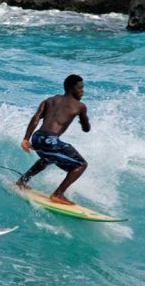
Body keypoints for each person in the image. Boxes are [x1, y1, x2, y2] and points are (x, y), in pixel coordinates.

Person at [16, 74, 90, 205]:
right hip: (50, 140)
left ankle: (22, 181)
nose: (82, 91)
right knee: (81, 165)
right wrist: (84, 121)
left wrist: (26, 139)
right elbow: (86, 128)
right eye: (80, 88)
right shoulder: (80, 106)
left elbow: (36, 117)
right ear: (72, 88)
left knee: (46, 159)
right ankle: (58, 194)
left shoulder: (50, 100)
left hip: (37, 138)